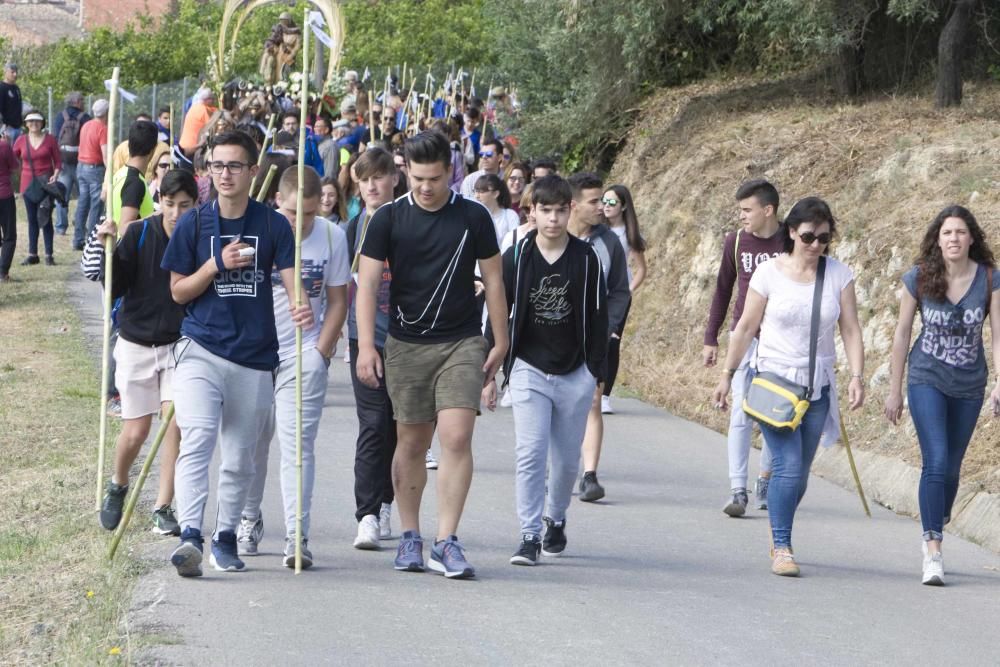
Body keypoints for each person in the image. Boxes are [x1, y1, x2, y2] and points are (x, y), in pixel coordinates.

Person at [356, 131, 507, 579]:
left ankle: (447, 540)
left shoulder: (474, 217)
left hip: (461, 341)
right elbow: (366, 285)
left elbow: (494, 280)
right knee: (412, 442)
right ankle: (409, 536)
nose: (425, 187)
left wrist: (501, 340)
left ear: (451, 173)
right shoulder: (387, 219)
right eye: (418, 178)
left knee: (457, 436)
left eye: (435, 178)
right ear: (406, 171)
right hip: (406, 343)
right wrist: (366, 346)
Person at [161, 130, 311, 578]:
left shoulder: (273, 224)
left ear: (251, 171)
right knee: (199, 436)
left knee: (240, 456)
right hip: (200, 348)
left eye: (235, 166)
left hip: (254, 356)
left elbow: (290, 279)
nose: (225, 174)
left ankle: (225, 538)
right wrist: (215, 264)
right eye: (218, 166)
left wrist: (301, 305)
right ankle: (190, 536)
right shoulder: (194, 223)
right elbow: (177, 292)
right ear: (208, 170)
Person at [712, 196, 864, 577]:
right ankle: (782, 545)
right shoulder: (768, 273)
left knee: (799, 475)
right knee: (790, 468)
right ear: (792, 232)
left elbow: (849, 329)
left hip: (816, 388)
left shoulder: (839, 276)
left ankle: (779, 521)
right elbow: (746, 326)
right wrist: (727, 374)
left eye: (824, 238)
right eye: (809, 236)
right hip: (774, 384)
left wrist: (858, 376)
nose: (815, 245)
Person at [482, 175, 608, 566]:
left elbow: (599, 318)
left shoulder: (586, 259)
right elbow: (498, 313)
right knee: (530, 452)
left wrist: (597, 375)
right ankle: (529, 535)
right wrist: (490, 370)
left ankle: (556, 518)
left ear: (571, 211)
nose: (553, 219)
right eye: (545, 211)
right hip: (529, 368)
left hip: (574, 370)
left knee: (567, 459)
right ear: (531, 211)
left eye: (560, 211)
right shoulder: (517, 256)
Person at [238, 165, 349, 567]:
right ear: (276, 203)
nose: (301, 224)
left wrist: (321, 350)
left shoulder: (333, 237)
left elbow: (339, 300)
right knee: (252, 443)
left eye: (310, 214)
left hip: (302, 355)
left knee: (298, 447)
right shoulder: (256, 231)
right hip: (252, 353)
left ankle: (296, 535)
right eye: (291, 214)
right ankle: (249, 516)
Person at [884, 205, 1000, 586]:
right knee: (935, 461)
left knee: (951, 468)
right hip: (926, 378)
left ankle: (937, 513)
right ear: (938, 238)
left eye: (961, 232)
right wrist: (894, 389)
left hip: (969, 385)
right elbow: (902, 334)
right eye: (947, 232)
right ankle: (932, 548)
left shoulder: (989, 279)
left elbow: (998, 336)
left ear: (972, 239)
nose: (953, 238)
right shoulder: (918, 278)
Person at [84, 169, 199, 536]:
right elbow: (114, 285)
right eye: (169, 204)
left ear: (196, 203)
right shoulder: (139, 232)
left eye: (185, 205)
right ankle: (118, 484)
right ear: (159, 201)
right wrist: (107, 249)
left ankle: (164, 506)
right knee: (136, 430)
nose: (177, 213)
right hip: (135, 342)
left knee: (174, 425)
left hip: (178, 345)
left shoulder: (199, 237)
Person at [703, 179, 784, 516]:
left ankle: (764, 479)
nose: (742, 216)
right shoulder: (736, 242)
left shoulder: (792, 240)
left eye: (747, 210)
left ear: (769, 210)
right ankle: (738, 489)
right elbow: (723, 289)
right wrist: (711, 337)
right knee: (740, 412)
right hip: (744, 336)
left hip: (780, 342)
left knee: (772, 415)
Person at [344, 147, 400, 548]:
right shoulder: (351, 228)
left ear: (395, 178)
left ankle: (386, 501)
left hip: (409, 341)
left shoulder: (407, 222)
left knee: (400, 428)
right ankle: (366, 513)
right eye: (364, 179)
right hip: (364, 338)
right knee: (373, 424)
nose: (371, 185)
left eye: (378, 176)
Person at [567, 173, 630, 502]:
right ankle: (560, 464)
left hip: (596, 337)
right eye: (594, 202)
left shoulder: (610, 242)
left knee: (592, 402)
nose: (601, 208)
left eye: (603, 201)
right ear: (573, 205)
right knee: (559, 406)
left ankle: (589, 474)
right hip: (556, 337)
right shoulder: (553, 235)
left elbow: (620, 290)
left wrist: (609, 328)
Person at [599, 185, 646, 414]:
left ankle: (605, 395)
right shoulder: (596, 230)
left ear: (624, 206)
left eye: (612, 203)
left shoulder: (628, 235)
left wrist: (627, 291)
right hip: (594, 292)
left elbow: (640, 269)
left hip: (618, 297)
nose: (607, 207)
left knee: (612, 342)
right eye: (604, 201)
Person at [13, 111, 61, 266]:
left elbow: (58, 162)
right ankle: (32, 254)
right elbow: (12, 159)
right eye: (30, 121)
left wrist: (56, 174)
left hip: (45, 185)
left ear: (42, 123)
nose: (34, 123)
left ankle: (49, 255)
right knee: (32, 219)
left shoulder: (50, 140)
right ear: (26, 124)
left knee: (45, 219)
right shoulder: (20, 140)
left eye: (37, 121)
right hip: (27, 186)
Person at [110, 120, 157, 236]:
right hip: (128, 252)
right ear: (153, 150)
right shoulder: (134, 183)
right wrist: (158, 216)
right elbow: (124, 228)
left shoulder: (120, 173)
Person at [52, 92, 91, 235]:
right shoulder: (85, 118)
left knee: (62, 195)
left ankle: (61, 227)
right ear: (77, 102)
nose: (84, 102)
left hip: (63, 161)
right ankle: (79, 222)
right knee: (84, 196)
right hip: (81, 162)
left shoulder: (60, 117)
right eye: (82, 100)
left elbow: (55, 138)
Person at [74, 99, 109, 251]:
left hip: (81, 166)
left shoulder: (86, 125)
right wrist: (110, 172)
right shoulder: (102, 129)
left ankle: (77, 239)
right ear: (107, 112)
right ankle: (91, 238)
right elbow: (106, 154)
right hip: (95, 169)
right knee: (96, 204)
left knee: (83, 202)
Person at [473, 173, 520, 244]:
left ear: (495, 194)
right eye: (475, 191)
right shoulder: (473, 216)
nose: (476, 196)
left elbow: (514, 243)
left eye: (481, 192)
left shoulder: (510, 215)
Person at [179, 88, 218, 158]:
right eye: (212, 99)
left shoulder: (194, 107)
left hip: (183, 146)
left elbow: (216, 111)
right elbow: (213, 125)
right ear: (206, 100)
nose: (214, 101)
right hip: (193, 149)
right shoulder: (203, 110)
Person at [0, 133, 17, 282]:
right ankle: (3, 272)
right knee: (9, 235)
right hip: (4, 195)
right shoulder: (4, 145)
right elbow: (14, 166)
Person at [0, 63, 22, 144]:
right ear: (6, 72)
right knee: (7, 153)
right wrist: (2, 128)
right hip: (7, 129)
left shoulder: (16, 88)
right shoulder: (2, 88)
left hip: (18, 128)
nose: (15, 74)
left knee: (17, 155)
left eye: (16, 72)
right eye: (12, 72)